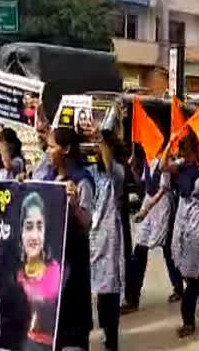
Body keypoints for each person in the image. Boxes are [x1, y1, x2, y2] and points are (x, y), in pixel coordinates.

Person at [45, 127, 94, 349]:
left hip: (73, 265)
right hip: (50, 263)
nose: (47, 151)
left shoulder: (81, 181)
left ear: (65, 149)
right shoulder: (48, 178)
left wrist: (73, 205)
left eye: (51, 146)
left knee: (73, 328)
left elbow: (87, 224)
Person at [169, 131, 199, 338]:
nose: (182, 150)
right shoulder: (180, 167)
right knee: (184, 269)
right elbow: (163, 167)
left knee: (190, 275)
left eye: (185, 146)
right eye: (181, 147)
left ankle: (188, 321)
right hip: (181, 223)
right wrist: (170, 144)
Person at [125, 153, 183, 313]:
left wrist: (147, 208)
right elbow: (143, 186)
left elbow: (163, 188)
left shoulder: (164, 159)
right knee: (140, 247)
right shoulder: (146, 159)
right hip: (149, 202)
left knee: (167, 247)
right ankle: (133, 297)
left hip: (162, 203)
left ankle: (179, 285)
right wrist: (133, 170)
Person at [89, 131, 125, 351]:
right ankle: (103, 330)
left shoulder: (117, 172)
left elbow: (109, 165)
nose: (95, 149)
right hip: (90, 238)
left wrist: (100, 139)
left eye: (100, 145)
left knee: (108, 290)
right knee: (97, 293)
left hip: (109, 239)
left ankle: (112, 341)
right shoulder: (89, 172)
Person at [17, 192, 62, 351]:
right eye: (29, 227)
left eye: (39, 226)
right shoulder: (14, 274)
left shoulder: (55, 273)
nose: (34, 235)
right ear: (21, 232)